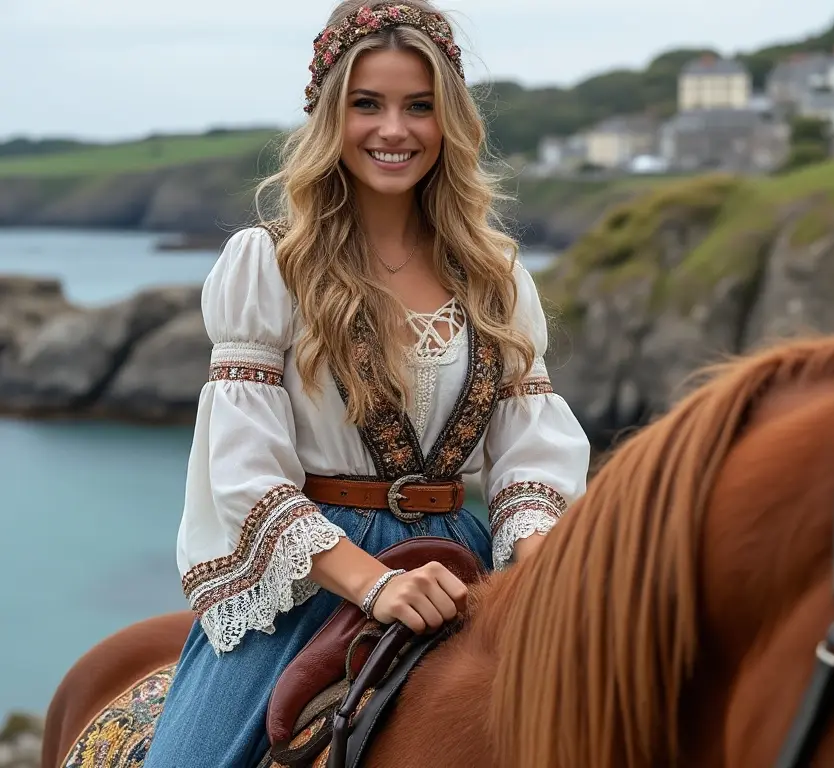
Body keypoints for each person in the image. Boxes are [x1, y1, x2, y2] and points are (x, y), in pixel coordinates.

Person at [142, 1, 590, 766]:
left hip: (464, 565)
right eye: (367, 105)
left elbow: (531, 454)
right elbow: (243, 470)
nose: (395, 130)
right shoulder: (270, 264)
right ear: (328, 116)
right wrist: (373, 584)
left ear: (449, 121)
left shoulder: (496, 275)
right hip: (314, 578)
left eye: (419, 107)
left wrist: (539, 562)